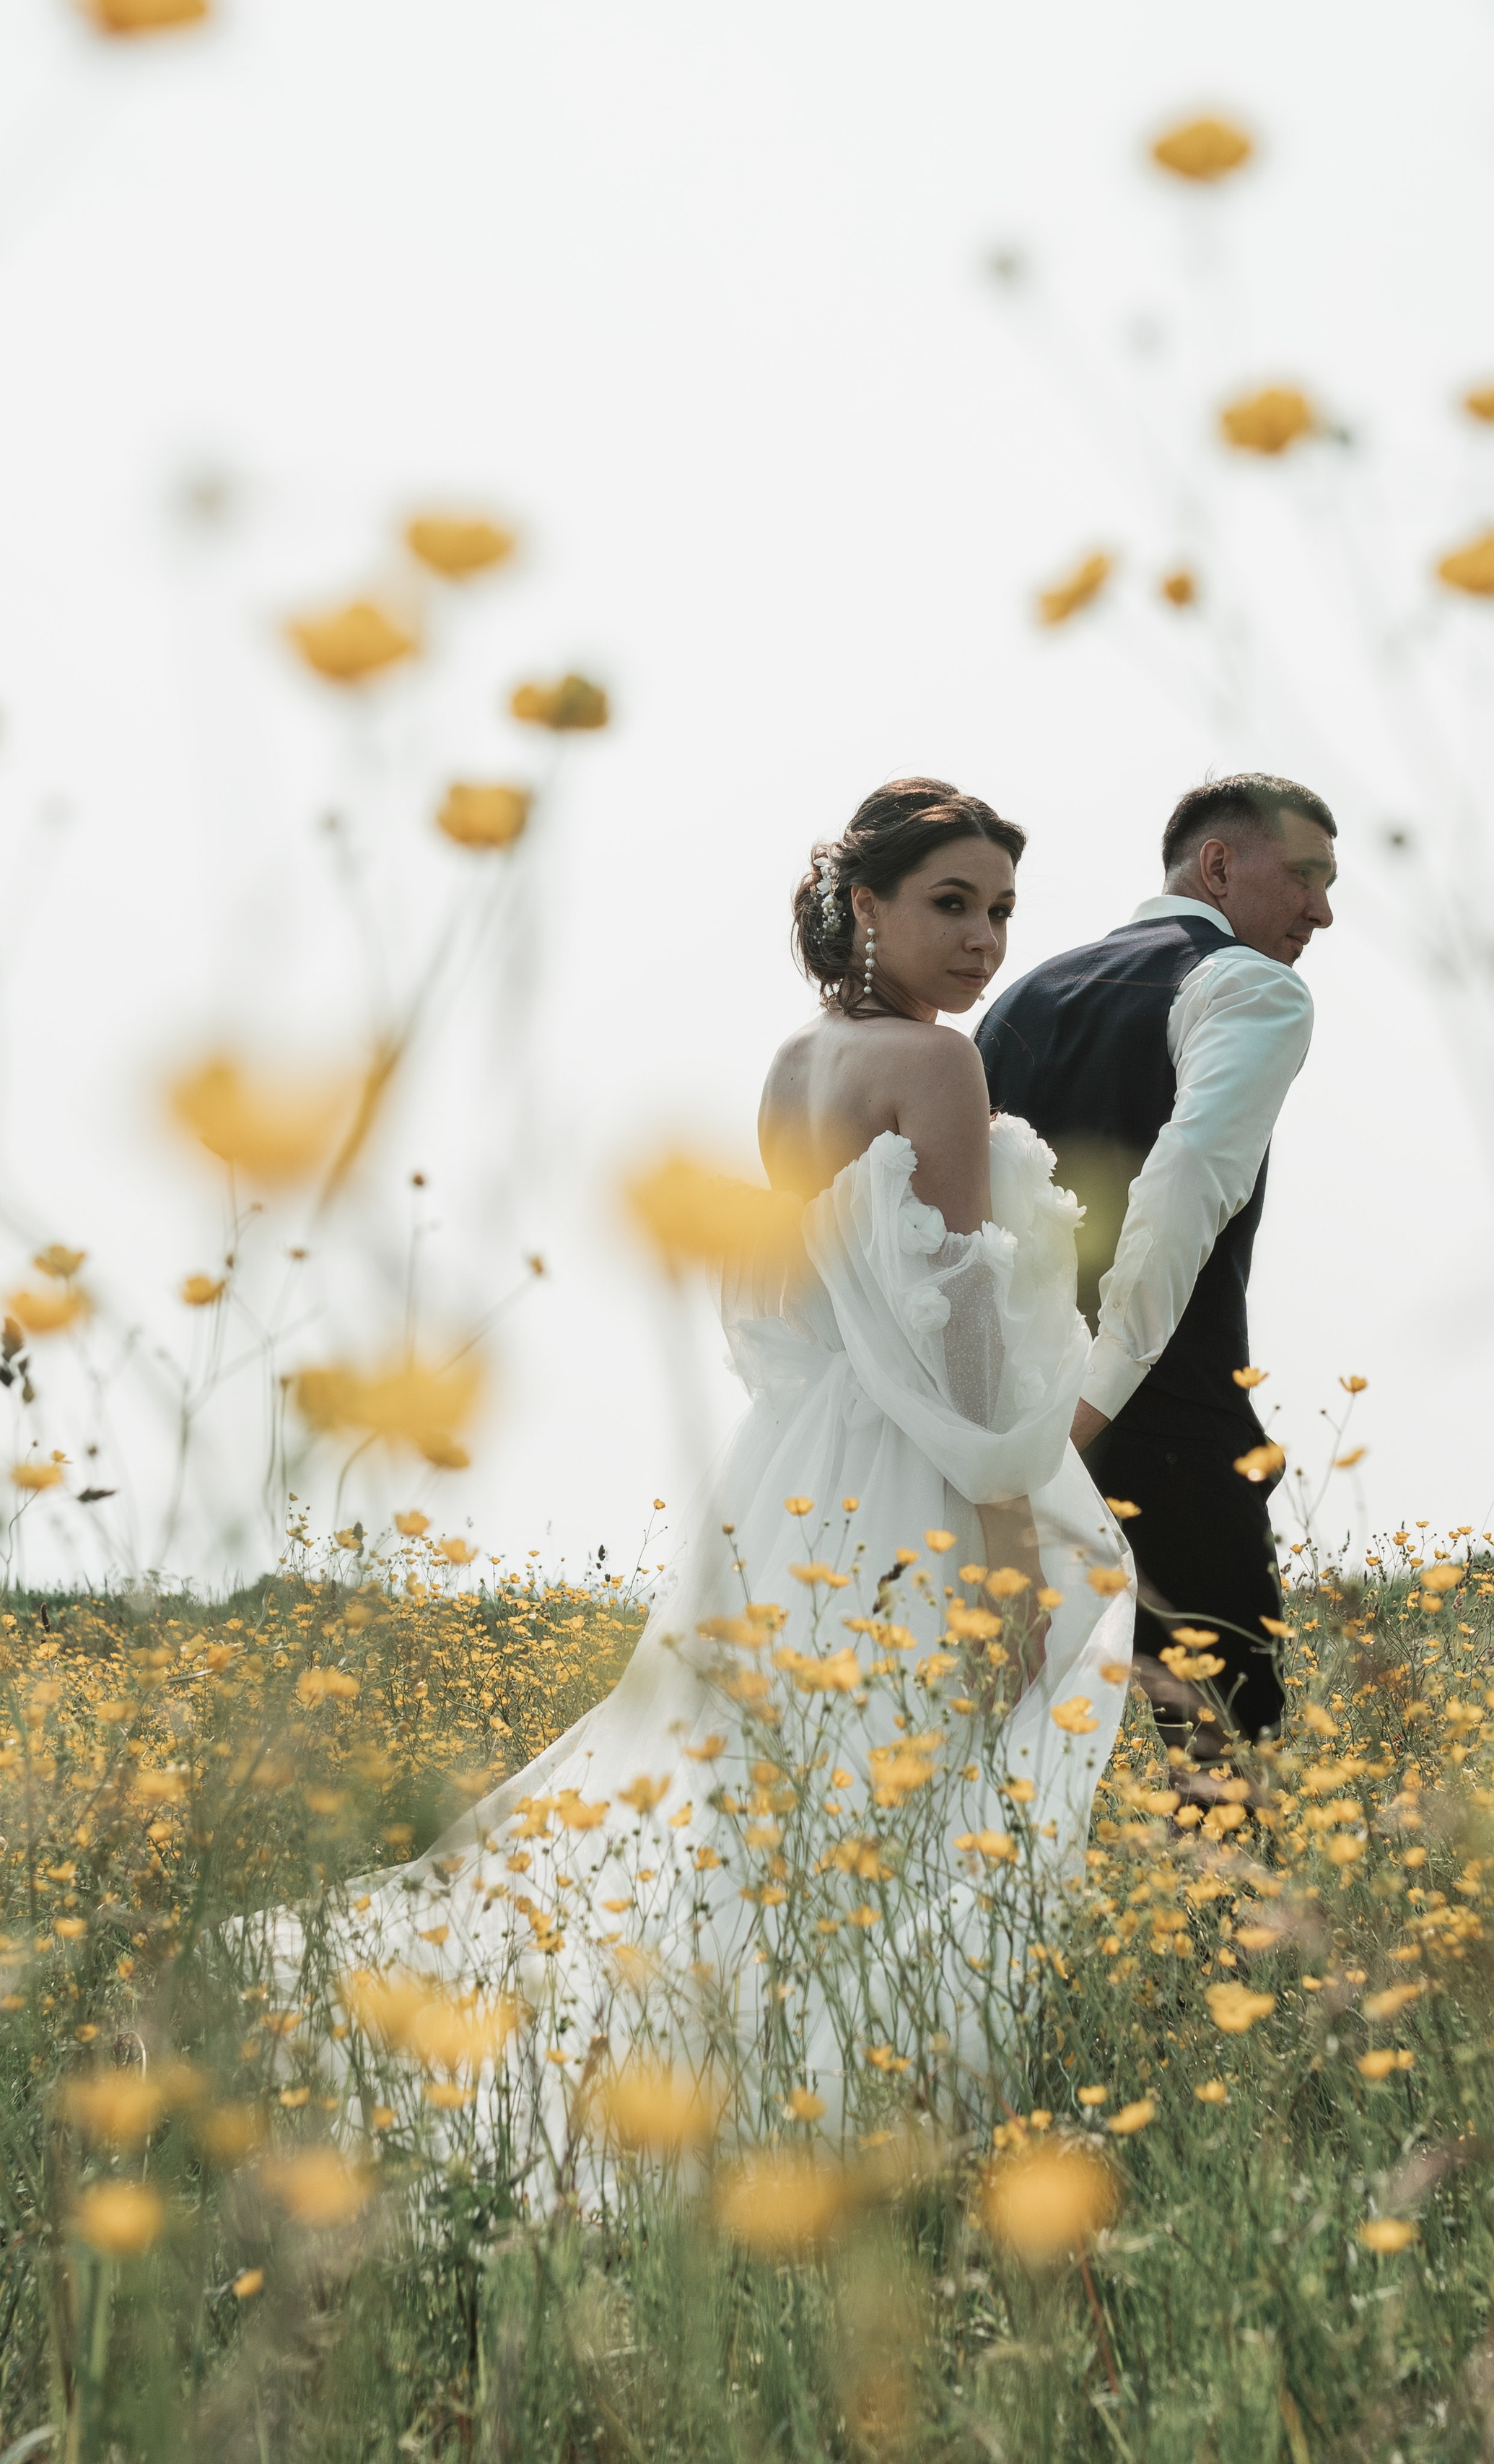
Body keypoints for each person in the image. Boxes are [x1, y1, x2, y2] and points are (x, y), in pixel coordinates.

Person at [248, 779, 1132, 2186]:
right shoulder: (938, 1067)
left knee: (792, 1793)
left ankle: (760, 2075)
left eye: (1001, 911)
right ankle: (872, 2105)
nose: (982, 939)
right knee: (918, 1783)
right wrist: (1009, 1528)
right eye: (949, 903)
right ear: (867, 908)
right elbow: (962, 1325)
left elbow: (797, 1296)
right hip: (916, 1475)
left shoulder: (797, 1062)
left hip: (794, 1474)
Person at [977, 773, 1336, 1743]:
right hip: (1160, 1422)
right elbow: (1180, 1193)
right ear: (1217, 865)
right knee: (1221, 1754)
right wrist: (1096, 1398)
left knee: (1012, 1738)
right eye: (1304, 874)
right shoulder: (1251, 984)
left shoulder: (1020, 998)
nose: (1324, 910)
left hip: (999, 1440)